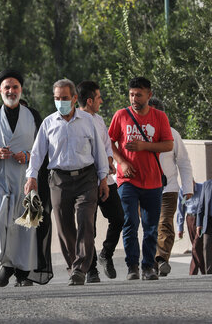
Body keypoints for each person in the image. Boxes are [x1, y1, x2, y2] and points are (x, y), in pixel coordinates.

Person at [0, 69, 53, 287]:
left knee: (26, 226)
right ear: (0, 90)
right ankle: (5, 262)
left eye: (15, 87)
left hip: (28, 180)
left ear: (21, 90)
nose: (11, 90)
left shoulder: (33, 116)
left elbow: (43, 148)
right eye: (7, 87)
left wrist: (27, 156)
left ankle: (21, 272)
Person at [24, 79, 109, 286]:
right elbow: (37, 153)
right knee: (64, 227)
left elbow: (99, 151)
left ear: (74, 98)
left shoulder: (88, 122)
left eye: (64, 98)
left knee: (85, 222)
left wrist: (103, 179)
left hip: (86, 178)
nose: (60, 102)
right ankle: (73, 265)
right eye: (57, 98)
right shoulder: (48, 123)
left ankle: (80, 268)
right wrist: (31, 176)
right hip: (59, 180)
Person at [108, 77, 173, 281]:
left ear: (149, 95)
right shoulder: (121, 115)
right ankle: (132, 266)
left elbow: (168, 145)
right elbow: (109, 142)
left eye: (139, 94)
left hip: (153, 181)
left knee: (151, 226)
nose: (134, 98)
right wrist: (122, 163)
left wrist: (145, 146)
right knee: (130, 222)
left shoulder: (159, 117)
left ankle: (148, 267)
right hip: (127, 181)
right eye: (131, 94)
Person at [76, 80, 123, 283]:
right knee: (89, 227)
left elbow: (106, 146)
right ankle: (91, 269)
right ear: (89, 100)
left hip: (107, 180)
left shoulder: (99, 119)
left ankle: (106, 254)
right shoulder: (76, 121)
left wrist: (110, 160)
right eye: (98, 98)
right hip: (87, 182)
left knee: (119, 217)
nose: (101, 101)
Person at [147, 98, 194, 277]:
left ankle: (161, 259)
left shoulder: (173, 134)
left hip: (169, 188)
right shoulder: (138, 134)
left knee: (165, 223)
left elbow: (183, 161)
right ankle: (150, 262)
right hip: (145, 188)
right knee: (150, 226)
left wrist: (187, 186)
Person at [176, 182, 205, 275]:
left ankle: (196, 271)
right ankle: (201, 271)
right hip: (190, 218)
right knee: (196, 246)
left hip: (201, 218)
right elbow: (181, 208)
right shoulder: (182, 190)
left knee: (196, 246)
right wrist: (180, 227)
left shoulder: (202, 188)